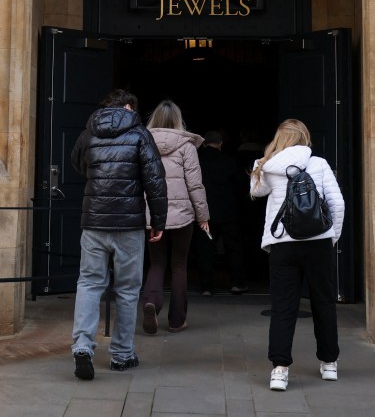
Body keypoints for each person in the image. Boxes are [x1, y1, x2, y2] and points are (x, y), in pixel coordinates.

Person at [69, 89, 168, 381]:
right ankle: (122, 355)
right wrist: (158, 221)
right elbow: (155, 181)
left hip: (94, 221)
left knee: (88, 283)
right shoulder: (139, 134)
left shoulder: (88, 133)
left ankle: (83, 348)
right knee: (126, 290)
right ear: (129, 106)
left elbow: (79, 164)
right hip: (128, 224)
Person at [249, 119, 345, 391]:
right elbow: (337, 202)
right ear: (305, 137)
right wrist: (332, 236)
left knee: (283, 307)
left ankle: (279, 370)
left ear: (279, 139)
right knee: (324, 302)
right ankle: (329, 363)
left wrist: (261, 163)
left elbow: (256, 192)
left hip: (283, 244)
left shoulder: (269, 165)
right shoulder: (320, 163)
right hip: (318, 244)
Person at [139, 99, 210, 334]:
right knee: (179, 266)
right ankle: (177, 320)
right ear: (178, 120)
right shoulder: (187, 146)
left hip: (153, 214)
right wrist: (203, 216)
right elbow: (195, 185)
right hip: (182, 217)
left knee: (156, 263)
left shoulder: (143, 142)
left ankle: (151, 302)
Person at [194, 130, 248, 295]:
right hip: (229, 212)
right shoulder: (230, 162)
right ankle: (237, 283)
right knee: (233, 248)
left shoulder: (198, 162)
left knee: (206, 250)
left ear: (203, 144)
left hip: (206, 213)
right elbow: (241, 186)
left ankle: (206, 286)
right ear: (221, 144)